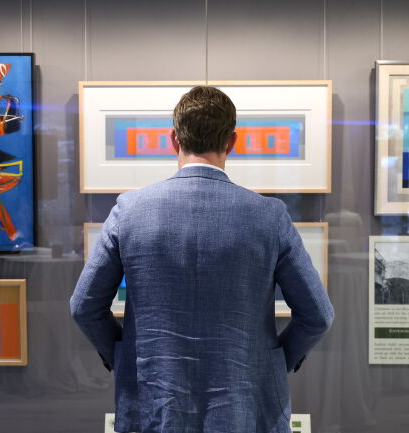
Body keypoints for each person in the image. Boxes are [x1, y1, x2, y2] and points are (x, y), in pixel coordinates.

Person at [70, 86, 334, 433]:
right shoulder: (269, 216)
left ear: (173, 140)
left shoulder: (129, 212)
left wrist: (125, 359)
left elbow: (84, 306)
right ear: (231, 142)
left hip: (154, 403)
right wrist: (270, 363)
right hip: (245, 406)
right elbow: (317, 315)